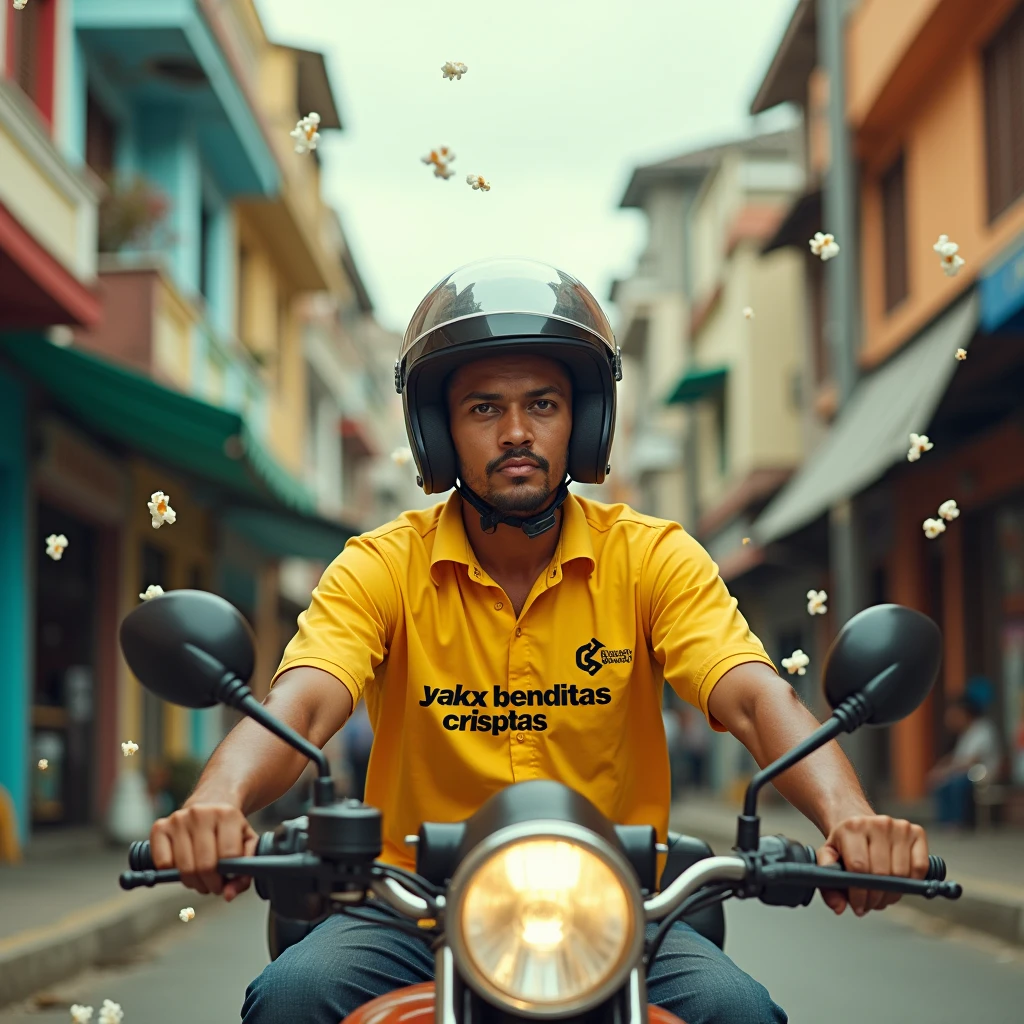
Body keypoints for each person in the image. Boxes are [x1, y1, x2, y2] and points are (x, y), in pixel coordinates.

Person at [147, 259, 933, 1024]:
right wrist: (218, 801)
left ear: (583, 420)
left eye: (544, 405)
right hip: (411, 912)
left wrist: (849, 818)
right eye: (484, 408)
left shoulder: (653, 556)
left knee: (738, 1011)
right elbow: (306, 701)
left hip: (620, 906)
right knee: (290, 998)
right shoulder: (381, 563)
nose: (516, 432)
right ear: (437, 429)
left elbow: (757, 698)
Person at [928, 690, 1001, 827]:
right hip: (964, 773)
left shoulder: (983, 729)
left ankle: (960, 822)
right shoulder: (966, 733)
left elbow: (971, 761)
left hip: (981, 775)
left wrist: (945, 772)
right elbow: (954, 757)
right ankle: (946, 823)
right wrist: (938, 769)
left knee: (957, 782)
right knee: (942, 784)